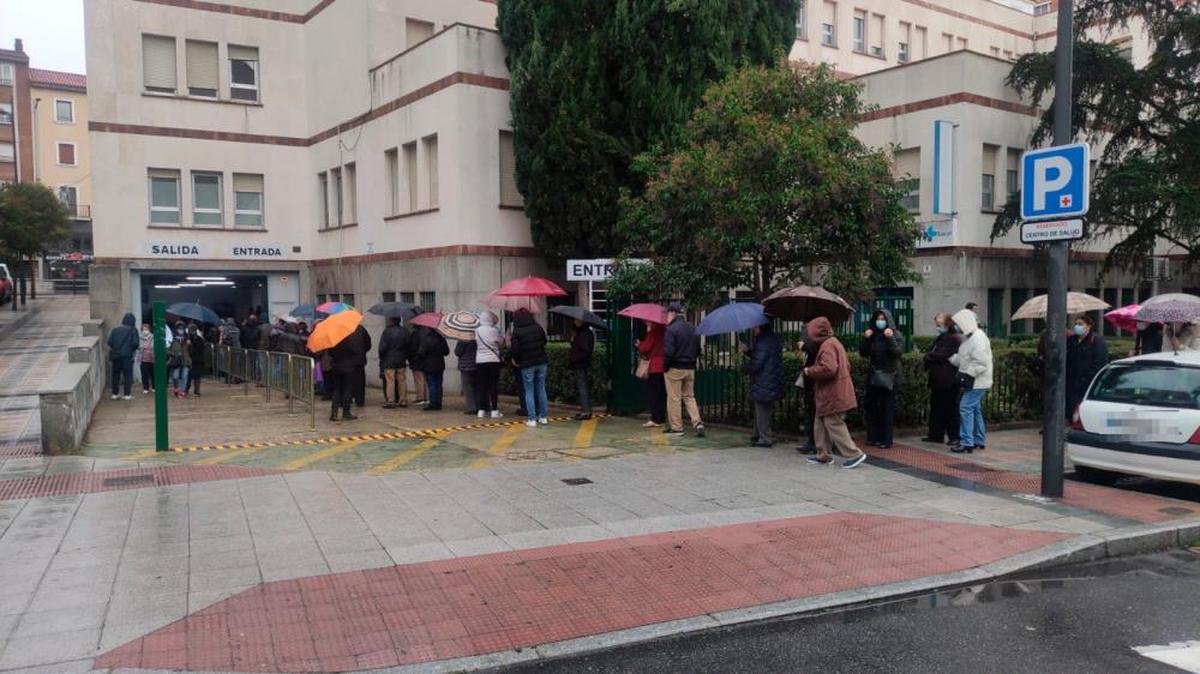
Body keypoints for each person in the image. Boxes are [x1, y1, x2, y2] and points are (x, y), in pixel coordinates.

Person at [801, 317, 867, 469]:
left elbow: (829, 368)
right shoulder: (833, 342)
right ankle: (823, 455)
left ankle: (854, 454)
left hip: (832, 393)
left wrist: (809, 370)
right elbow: (846, 366)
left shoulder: (827, 346)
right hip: (832, 392)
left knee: (834, 423)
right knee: (820, 422)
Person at [949, 309, 993, 453]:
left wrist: (968, 374)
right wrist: (951, 359)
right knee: (974, 409)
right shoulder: (971, 337)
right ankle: (978, 439)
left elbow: (981, 362)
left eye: (958, 324)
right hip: (976, 380)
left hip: (976, 381)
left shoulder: (977, 338)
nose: (956, 327)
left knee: (965, 408)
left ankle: (967, 442)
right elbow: (965, 358)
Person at [859, 309, 902, 449]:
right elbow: (863, 352)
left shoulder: (895, 335)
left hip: (889, 376)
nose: (880, 321)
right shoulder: (873, 335)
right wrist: (865, 338)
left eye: (883, 319)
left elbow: (897, 352)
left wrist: (890, 338)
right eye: (878, 318)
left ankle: (885, 439)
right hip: (874, 375)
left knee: (886, 408)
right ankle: (872, 437)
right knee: (871, 407)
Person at [663, 302, 704, 438]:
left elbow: (669, 352)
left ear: (673, 313)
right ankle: (697, 423)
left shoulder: (671, 329)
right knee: (689, 397)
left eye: (668, 313)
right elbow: (698, 350)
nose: (666, 316)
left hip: (675, 368)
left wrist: (665, 366)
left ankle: (677, 428)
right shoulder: (693, 328)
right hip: (690, 368)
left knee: (674, 398)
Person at [742, 323, 784, 448]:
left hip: (764, 381)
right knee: (762, 409)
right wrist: (748, 351)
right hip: (770, 379)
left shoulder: (762, 342)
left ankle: (764, 438)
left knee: (761, 410)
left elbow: (757, 364)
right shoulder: (772, 339)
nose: (753, 329)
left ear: (760, 328)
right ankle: (757, 435)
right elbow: (761, 356)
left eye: (755, 327)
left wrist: (745, 368)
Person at [922, 313, 962, 446]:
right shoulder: (941, 337)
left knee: (950, 409)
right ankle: (935, 434)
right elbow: (933, 353)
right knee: (936, 408)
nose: (937, 326)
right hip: (937, 380)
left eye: (939, 323)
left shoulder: (954, 339)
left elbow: (941, 355)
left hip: (948, 380)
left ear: (947, 323)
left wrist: (929, 356)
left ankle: (954, 436)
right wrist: (930, 356)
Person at [510, 308, 549, 427]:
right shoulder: (538, 327)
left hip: (527, 364)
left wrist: (516, 361)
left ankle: (532, 419)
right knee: (541, 388)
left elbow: (515, 350)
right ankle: (543, 417)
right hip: (542, 361)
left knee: (529, 390)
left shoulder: (517, 331)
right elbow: (545, 341)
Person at [1066, 315, 1108, 421]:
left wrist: (1086, 379)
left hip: (1087, 384)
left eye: (1080, 324)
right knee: (1072, 412)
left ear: (1088, 326)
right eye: (1076, 324)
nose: (1077, 327)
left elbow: (1099, 363)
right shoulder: (1071, 340)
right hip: (1072, 384)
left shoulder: (1096, 341)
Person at [328, 323, 369, 421]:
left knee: (337, 389)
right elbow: (359, 349)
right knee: (347, 389)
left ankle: (334, 413)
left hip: (336, 367)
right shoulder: (351, 339)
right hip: (349, 367)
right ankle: (346, 412)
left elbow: (330, 353)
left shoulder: (334, 339)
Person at [793, 332, 822, 454]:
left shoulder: (820, 342)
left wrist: (804, 346)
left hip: (814, 385)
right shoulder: (811, 344)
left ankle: (816, 444)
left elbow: (815, 351)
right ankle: (811, 442)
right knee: (809, 413)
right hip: (808, 384)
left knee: (814, 414)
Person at [475, 311, 504, 419]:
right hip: (493, 361)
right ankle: (494, 410)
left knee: (481, 386)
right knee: (493, 386)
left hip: (480, 361)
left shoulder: (477, 331)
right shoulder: (494, 330)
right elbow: (501, 343)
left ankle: (481, 410)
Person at [637, 321, 666, 427]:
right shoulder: (666, 331)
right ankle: (662, 417)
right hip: (665, 365)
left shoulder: (653, 332)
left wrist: (639, 344)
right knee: (662, 393)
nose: (645, 323)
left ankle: (656, 418)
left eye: (647, 322)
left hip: (654, 366)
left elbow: (645, 348)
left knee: (654, 393)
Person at [378, 317, 409, 408]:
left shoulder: (386, 332)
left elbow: (382, 348)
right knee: (402, 380)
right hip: (401, 359)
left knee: (390, 380)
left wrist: (382, 358)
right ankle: (403, 400)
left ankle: (391, 401)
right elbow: (408, 345)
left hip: (389, 359)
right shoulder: (405, 331)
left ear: (392, 321)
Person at [416, 324, 449, 411]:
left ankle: (433, 404)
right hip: (440, 364)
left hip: (429, 365)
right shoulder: (441, 339)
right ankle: (438, 403)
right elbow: (446, 352)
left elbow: (421, 352)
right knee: (438, 384)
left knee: (432, 384)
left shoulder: (426, 339)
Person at [107, 313, 139, 400]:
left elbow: (109, 342)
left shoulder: (115, 330)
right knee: (127, 375)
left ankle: (115, 393)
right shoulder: (133, 330)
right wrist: (131, 349)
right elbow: (135, 343)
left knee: (115, 374)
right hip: (127, 356)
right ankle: (127, 394)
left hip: (116, 356)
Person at [569, 319, 595, 420]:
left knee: (582, 386)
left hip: (581, 364)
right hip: (582, 363)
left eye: (577, 320)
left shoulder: (584, 334)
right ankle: (586, 409)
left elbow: (584, 350)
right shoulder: (584, 333)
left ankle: (586, 411)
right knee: (583, 386)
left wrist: (575, 358)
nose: (575, 322)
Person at [168, 322, 191, 397]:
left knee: (184, 376)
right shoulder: (172, 338)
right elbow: (167, 349)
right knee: (175, 376)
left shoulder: (187, 339)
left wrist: (189, 344)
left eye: (182, 328)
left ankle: (182, 391)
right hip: (176, 360)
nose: (180, 330)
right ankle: (176, 388)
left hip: (185, 359)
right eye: (179, 328)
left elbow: (192, 351)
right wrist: (173, 353)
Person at [455, 338, 478, 415]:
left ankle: (472, 408)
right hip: (476, 364)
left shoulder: (463, 339)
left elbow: (458, 352)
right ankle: (479, 406)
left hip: (466, 365)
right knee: (476, 387)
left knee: (467, 388)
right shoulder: (477, 338)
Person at [408, 325, 429, 406]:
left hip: (416, 361)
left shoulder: (415, 335)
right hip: (427, 361)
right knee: (425, 380)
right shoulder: (428, 334)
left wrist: (410, 359)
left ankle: (420, 397)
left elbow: (412, 348)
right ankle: (426, 397)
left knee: (418, 380)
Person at [186, 323, 206, 397]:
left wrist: (190, 346)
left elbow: (197, 350)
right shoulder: (198, 338)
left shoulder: (198, 339)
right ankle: (194, 391)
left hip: (195, 360)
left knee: (191, 376)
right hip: (196, 360)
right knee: (194, 376)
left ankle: (190, 390)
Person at [139, 322, 155, 394]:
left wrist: (148, 347)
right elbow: (138, 346)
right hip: (143, 358)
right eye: (143, 329)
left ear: (149, 330)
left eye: (146, 329)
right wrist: (143, 346)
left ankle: (154, 387)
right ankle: (146, 388)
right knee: (144, 374)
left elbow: (153, 346)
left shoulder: (153, 336)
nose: (145, 331)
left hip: (152, 358)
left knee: (153, 373)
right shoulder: (140, 337)